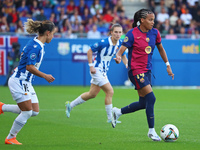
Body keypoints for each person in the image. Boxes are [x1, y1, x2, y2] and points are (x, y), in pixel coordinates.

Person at [112, 9, 174, 141]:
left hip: (147, 71)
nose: (153, 22)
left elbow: (161, 49)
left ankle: (118, 112)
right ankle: (151, 131)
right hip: (135, 70)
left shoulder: (155, 33)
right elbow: (121, 49)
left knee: (143, 103)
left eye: (153, 19)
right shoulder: (132, 33)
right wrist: (118, 57)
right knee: (151, 98)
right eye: (150, 20)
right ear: (142, 20)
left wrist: (168, 65)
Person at [0, 19, 56, 145]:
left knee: (34, 111)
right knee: (27, 112)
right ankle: (10, 137)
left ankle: (2, 107)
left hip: (26, 82)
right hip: (19, 81)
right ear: (47, 33)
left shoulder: (37, 44)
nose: (53, 36)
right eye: (53, 33)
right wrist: (45, 76)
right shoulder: (36, 47)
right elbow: (29, 67)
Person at [65, 24, 128, 123]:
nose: (118, 34)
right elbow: (89, 51)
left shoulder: (120, 44)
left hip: (104, 71)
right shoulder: (103, 42)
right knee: (110, 91)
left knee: (92, 94)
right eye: (116, 32)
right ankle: (110, 118)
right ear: (111, 32)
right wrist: (91, 66)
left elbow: (123, 56)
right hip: (97, 69)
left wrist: (127, 64)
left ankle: (70, 105)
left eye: (120, 32)